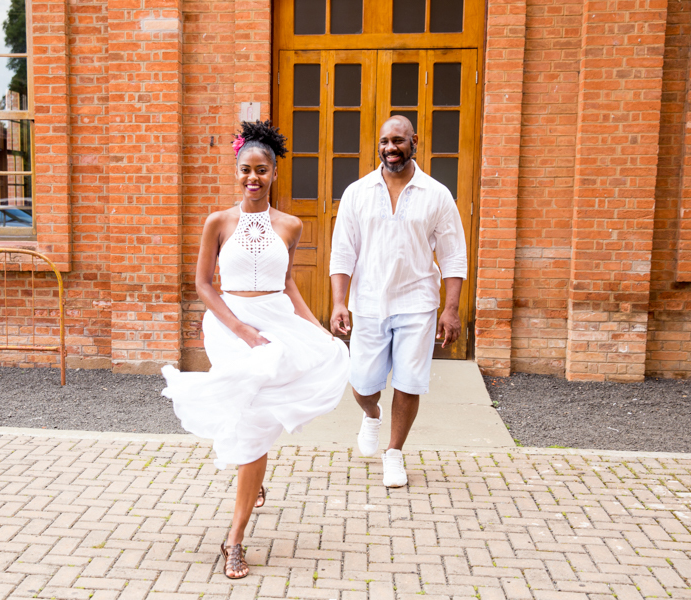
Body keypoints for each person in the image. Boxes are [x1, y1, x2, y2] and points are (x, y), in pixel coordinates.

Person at [162, 121, 350, 579]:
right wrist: (241, 330)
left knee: (256, 419)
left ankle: (234, 537)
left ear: (273, 173)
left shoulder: (290, 225)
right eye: (245, 169)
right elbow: (203, 284)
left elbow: (286, 282)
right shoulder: (218, 223)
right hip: (229, 326)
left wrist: (316, 328)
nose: (253, 178)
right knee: (250, 415)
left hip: (277, 322)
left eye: (261, 170)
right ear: (236, 170)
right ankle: (239, 528)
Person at [329, 115, 467, 488]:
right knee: (362, 383)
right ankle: (371, 414)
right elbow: (343, 252)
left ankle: (394, 453)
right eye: (385, 141)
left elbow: (454, 257)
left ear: (414, 142)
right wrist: (339, 302)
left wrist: (450, 310)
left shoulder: (437, 194)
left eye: (399, 141)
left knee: (409, 382)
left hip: (417, 302)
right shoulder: (357, 192)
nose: (391, 148)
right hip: (369, 302)